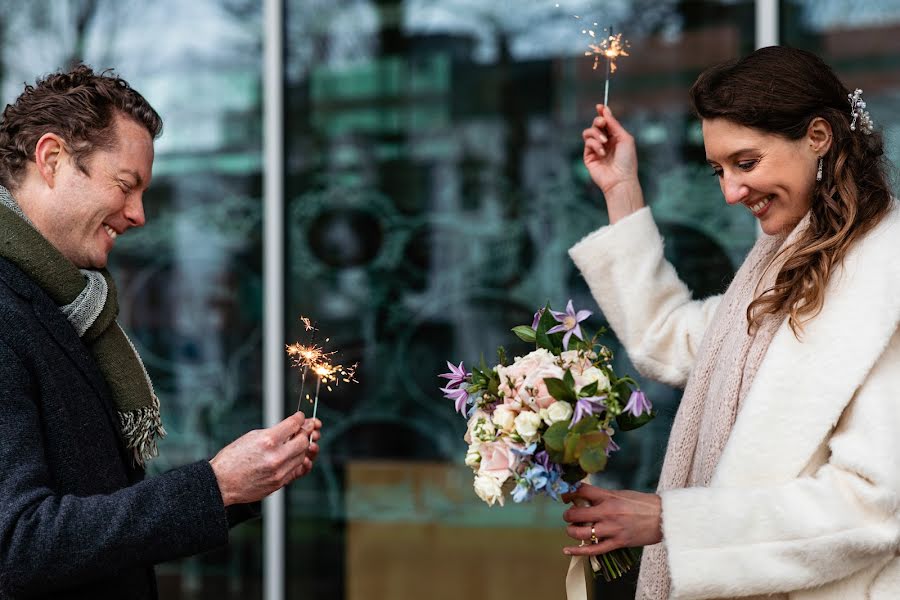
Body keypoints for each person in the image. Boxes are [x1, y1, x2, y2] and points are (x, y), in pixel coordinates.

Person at [560, 46, 900, 599]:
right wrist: (622, 191)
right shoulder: (786, 261)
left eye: (746, 163)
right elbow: (667, 341)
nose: (731, 192)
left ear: (818, 137)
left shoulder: (885, 278)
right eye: (719, 169)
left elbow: (874, 507)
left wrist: (672, 521)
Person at [0, 65, 321, 599]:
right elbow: (18, 544)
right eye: (126, 186)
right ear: (52, 159)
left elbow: (91, 511)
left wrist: (239, 486)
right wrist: (215, 485)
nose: (138, 215)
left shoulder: (68, 304)